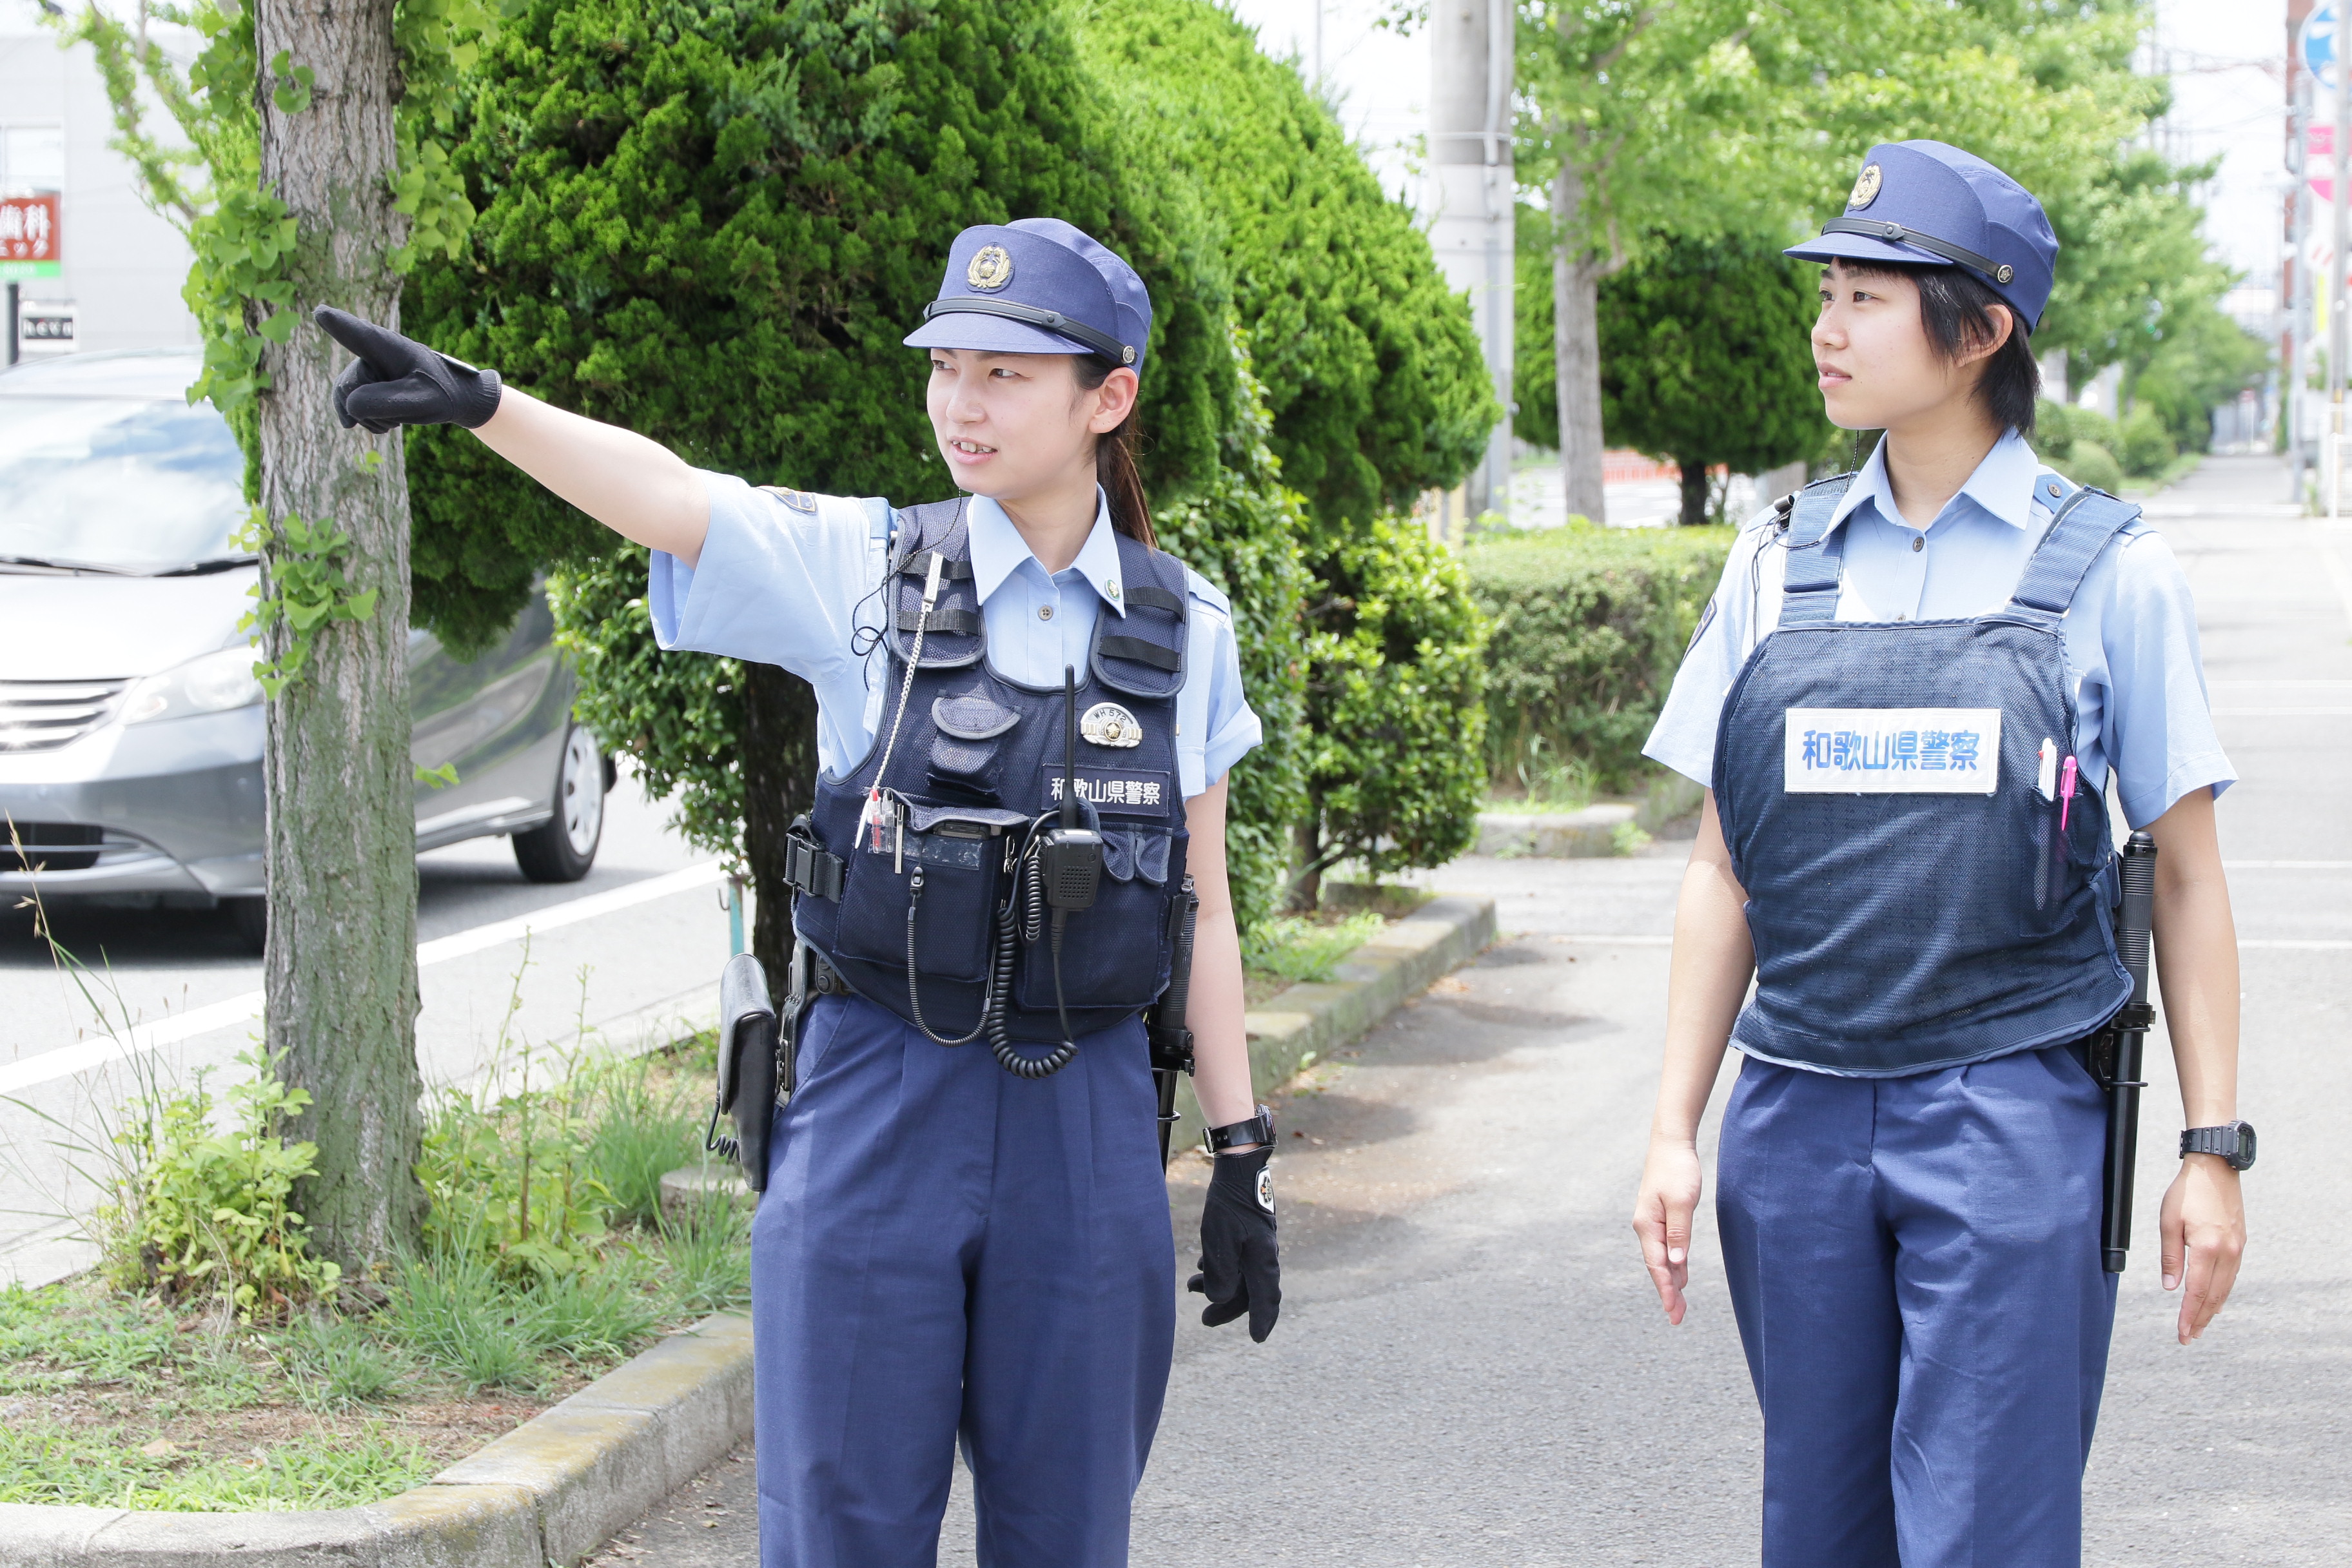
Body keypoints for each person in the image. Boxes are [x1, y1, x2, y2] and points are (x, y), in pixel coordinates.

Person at [315, 216, 1282, 1568]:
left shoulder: (1188, 631)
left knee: (1068, 1533)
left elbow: (1207, 907)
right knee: (844, 1529)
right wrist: (486, 404)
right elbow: (672, 496)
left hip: (1089, 1114)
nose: (962, 400)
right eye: (947, 364)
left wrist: (1242, 1155)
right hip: (878, 1093)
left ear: (1107, 397)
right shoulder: (869, 570)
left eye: (1006, 372)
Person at [1629, 141, 2253, 1568]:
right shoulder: (1776, 562)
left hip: (2010, 1109)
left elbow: (2188, 871)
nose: (1825, 328)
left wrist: (2212, 1151)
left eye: (1867, 296)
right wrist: (1676, 1126)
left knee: (1986, 1533)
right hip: (1793, 1115)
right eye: (1828, 292)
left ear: (1983, 330)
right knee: (1820, 1531)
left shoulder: (2108, 570)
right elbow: (1724, 868)